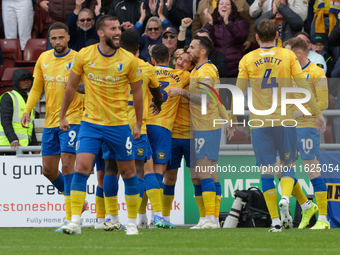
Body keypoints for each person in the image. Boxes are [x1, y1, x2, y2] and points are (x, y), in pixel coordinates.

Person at [226, 19, 326, 232]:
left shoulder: (247, 59)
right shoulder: (288, 55)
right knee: (288, 167)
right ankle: (287, 198)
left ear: (256, 38)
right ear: (278, 36)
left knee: (267, 172)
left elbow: (238, 92)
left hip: (260, 122)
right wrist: (317, 114)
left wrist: (232, 119)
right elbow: (302, 86)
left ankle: (276, 222)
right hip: (285, 120)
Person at [59, 15, 143, 236]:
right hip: (91, 124)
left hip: (119, 125)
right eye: (113, 28)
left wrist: (139, 124)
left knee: (128, 172)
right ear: (101, 33)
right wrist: (62, 115)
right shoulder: (85, 55)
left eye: (119, 28)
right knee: (81, 168)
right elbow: (70, 87)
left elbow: (138, 93)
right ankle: (75, 221)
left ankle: (132, 223)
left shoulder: (129, 59)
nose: (118, 32)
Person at [20, 22, 86, 231]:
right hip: (50, 122)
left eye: (61, 38)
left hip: (72, 119)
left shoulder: (78, 58)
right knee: (48, 170)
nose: (58, 42)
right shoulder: (44, 58)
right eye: (54, 38)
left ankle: (70, 219)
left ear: (68, 37)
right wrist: (27, 110)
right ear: (49, 40)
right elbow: (36, 88)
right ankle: (78, 203)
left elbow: (89, 86)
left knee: (67, 166)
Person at [101, 30, 163, 231]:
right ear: (139, 48)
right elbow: (157, 93)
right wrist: (158, 103)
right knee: (137, 172)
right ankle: (133, 221)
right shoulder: (145, 67)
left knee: (110, 169)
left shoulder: (109, 64)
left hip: (112, 124)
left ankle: (111, 218)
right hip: (137, 126)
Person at [168, 36, 222, 229]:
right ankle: (208, 218)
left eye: (192, 47)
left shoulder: (205, 71)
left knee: (205, 172)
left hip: (206, 127)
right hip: (200, 127)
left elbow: (206, 99)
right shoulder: (199, 70)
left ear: (203, 51)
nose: (188, 49)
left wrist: (181, 92)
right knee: (201, 175)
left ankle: (211, 219)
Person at [283, 37, 330, 230]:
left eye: (288, 53)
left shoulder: (316, 72)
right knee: (282, 171)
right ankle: (306, 206)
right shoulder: (287, 73)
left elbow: (324, 103)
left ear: (298, 53)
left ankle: (324, 220)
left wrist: (301, 111)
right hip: (287, 128)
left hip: (307, 127)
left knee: (313, 171)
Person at [203, 0, 248, 77]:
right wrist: (210, 23)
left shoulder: (240, 21)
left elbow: (241, 38)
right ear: (218, 8)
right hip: (216, 67)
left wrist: (228, 23)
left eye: (227, 4)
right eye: (221, 4)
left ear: (232, 8)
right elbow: (207, 43)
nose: (224, 6)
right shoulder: (213, 22)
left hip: (235, 67)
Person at [0, 69, 38, 153]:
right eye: (22, 79)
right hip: (8, 146)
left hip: (24, 147)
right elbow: (5, 121)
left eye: (28, 79)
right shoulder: (8, 97)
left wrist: (35, 147)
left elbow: (30, 126)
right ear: (17, 81)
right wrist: (13, 140)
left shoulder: (30, 100)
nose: (26, 81)